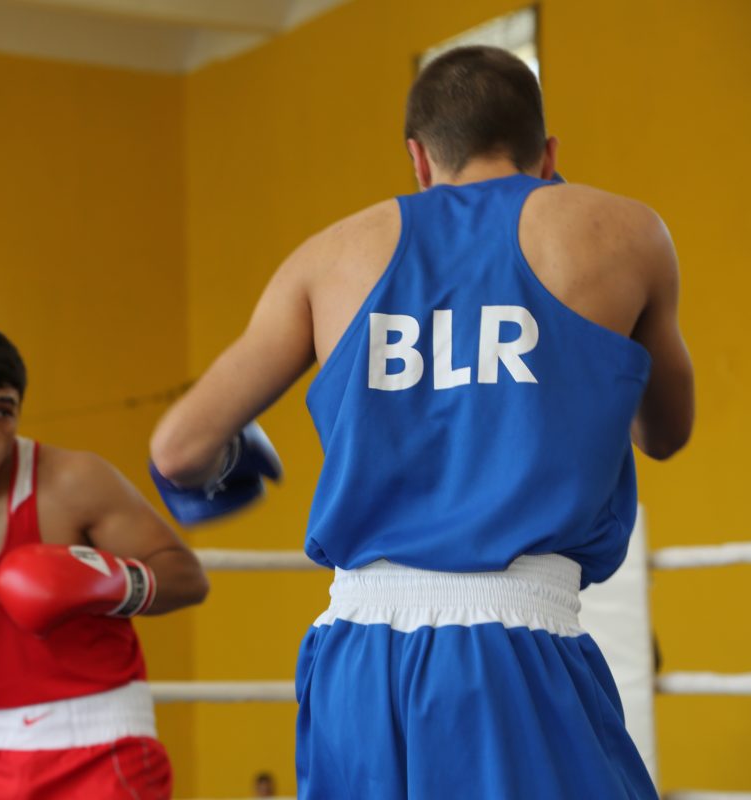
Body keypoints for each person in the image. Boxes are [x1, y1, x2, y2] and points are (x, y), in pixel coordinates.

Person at [149, 45, 693, 799]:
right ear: (548, 152)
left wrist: (227, 465)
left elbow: (179, 450)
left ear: (418, 157)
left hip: (357, 656)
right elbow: (666, 433)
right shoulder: (622, 231)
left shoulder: (329, 254)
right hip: (515, 648)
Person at [0, 324, 209, 800]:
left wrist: (106, 582)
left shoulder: (74, 481)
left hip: (103, 743)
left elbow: (188, 577)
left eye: (2, 411)